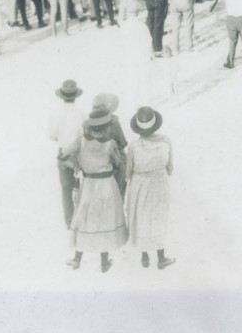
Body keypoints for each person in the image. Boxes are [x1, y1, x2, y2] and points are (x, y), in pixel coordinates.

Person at [60, 107, 129, 273]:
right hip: (106, 184)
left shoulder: (81, 140)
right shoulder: (110, 144)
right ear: (107, 128)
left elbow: (63, 157)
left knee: (84, 218)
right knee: (105, 219)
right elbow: (118, 163)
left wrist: (77, 167)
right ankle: (104, 262)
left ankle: (77, 259)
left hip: (89, 185)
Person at [125, 106, 176, 270]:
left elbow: (128, 172)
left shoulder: (133, 146)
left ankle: (144, 256)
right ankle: (161, 257)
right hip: (159, 184)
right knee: (158, 218)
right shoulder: (165, 141)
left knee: (141, 218)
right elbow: (170, 168)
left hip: (139, 185)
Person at [49, 80, 86, 232]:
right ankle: (80, 220)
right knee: (78, 186)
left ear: (62, 96)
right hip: (77, 154)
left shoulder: (56, 113)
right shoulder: (81, 113)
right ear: (75, 96)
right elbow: (84, 134)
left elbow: (52, 135)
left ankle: (69, 222)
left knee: (65, 189)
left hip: (62, 153)